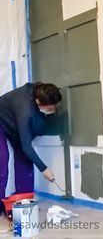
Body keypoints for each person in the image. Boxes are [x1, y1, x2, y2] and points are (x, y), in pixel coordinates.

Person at [0, 82, 62, 215]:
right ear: (38, 101)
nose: (53, 111)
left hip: (13, 122)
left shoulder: (43, 91)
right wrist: (44, 168)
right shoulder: (24, 109)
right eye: (50, 109)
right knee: (1, 158)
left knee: (25, 159)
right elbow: (26, 146)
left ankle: (23, 203)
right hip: (1, 121)